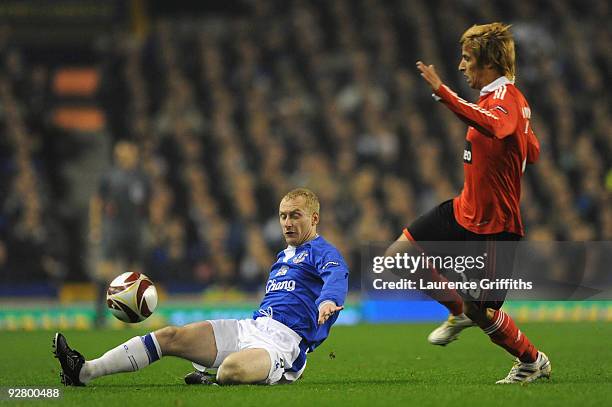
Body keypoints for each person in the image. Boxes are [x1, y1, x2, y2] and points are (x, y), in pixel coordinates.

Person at [386, 23, 549, 384]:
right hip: (464, 210)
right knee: (396, 258)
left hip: (495, 224)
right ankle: (456, 308)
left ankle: (531, 360)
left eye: (467, 58)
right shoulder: (504, 101)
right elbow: (532, 150)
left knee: (484, 311)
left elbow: (498, 128)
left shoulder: (505, 100)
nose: (461, 66)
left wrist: (443, 92)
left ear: (488, 63)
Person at [54, 188, 349, 386]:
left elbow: (336, 277)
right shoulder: (283, 255)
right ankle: (84, 370)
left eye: (295, 215)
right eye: (283, 215)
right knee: (170, 336)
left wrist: (327, 300)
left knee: (231, 371)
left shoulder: (323, 252)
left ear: (314, 218)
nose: (287, 222)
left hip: (282, 345)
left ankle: (230, 377)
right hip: (250, 327)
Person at [89, 140, 151, 327]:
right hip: (113, 227)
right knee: (106, 269)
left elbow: (149, 203)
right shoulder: (110, 176)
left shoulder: (142, 177)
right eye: (124, 151)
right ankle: (99, 314)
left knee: (132, 273)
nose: (129, 154)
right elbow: (97, 201)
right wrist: (95, 227)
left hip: (134, 228)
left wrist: (151, 225)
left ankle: (129, 316)